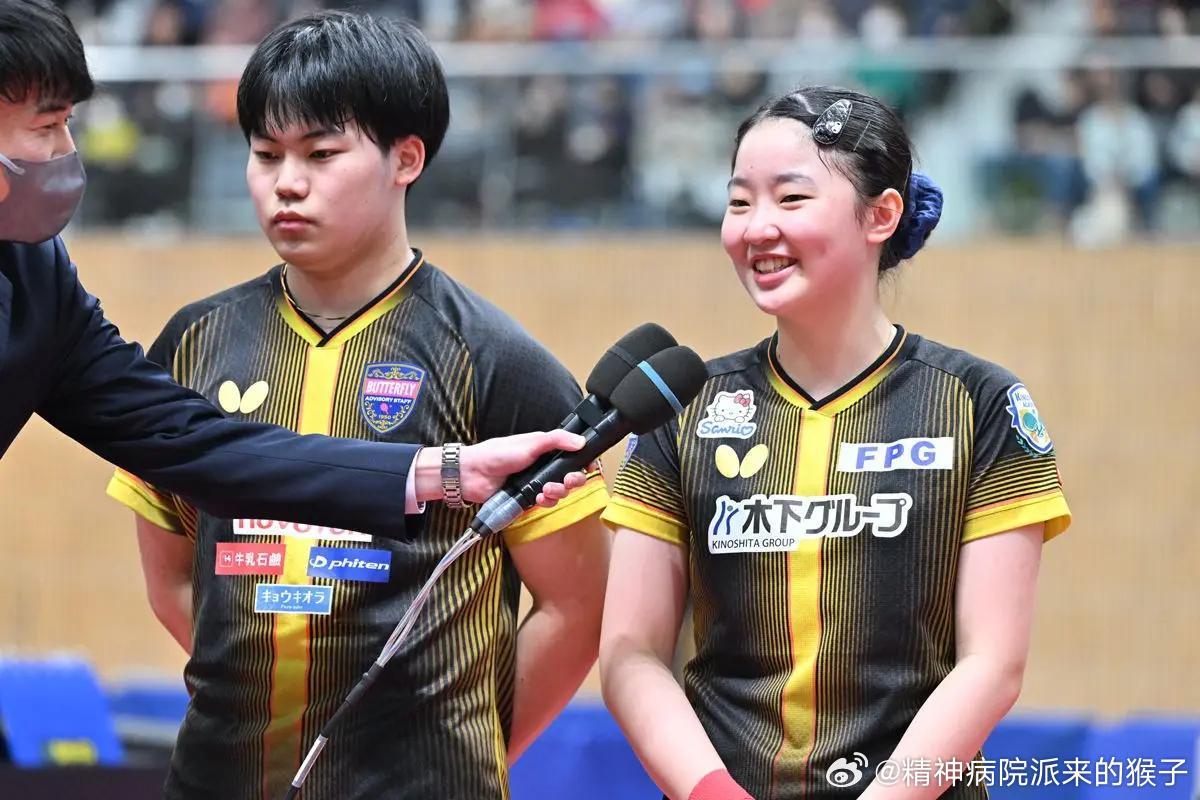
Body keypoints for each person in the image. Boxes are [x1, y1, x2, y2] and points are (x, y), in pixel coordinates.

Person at [106, 12, 611, 800]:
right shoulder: (194, 342)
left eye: (321, 154)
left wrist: (457, 751)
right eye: (265, 154)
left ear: (405, 158)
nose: (286, 182)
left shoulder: (497, 361)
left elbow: (575, 609)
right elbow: (173, 582)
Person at [599, 86, 1072, 800]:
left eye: (791, 198)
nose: (757, 228)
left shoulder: (980, 403)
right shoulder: (684, 410)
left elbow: (993, 666)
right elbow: (631, 653)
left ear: (881, 215)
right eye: (738, 202)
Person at [0, 0, 585, 544]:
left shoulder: (37, 280)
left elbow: (196, 445)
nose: (65, 150)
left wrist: (447, 470)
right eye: (47, 127)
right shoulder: (198, 333)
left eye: (321, 153)